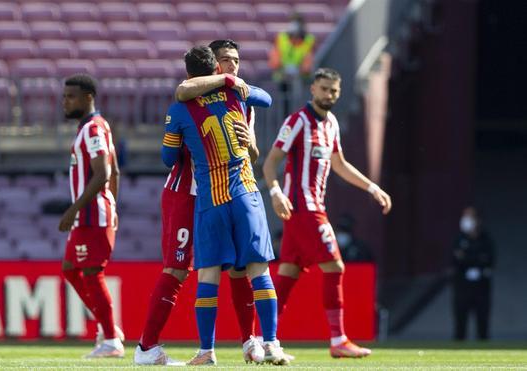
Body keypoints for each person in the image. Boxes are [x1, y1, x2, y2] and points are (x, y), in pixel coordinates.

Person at [134, 39, 268, 366]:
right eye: (225, 61)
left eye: (236, 61)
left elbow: (253, 148)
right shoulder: (188, 99)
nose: (232, 67)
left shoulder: (239, 98)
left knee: (239, 267)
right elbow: (173, 145)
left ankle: (250, 342)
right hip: (187, 193)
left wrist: (249, 145)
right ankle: (146, 347)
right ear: (213, 67)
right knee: (178, 268)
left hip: (229, 193)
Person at [162, 45, 290, 366]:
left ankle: (207, 350)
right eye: (227, 64)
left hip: (212, 199)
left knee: (208, 275)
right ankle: (272, 343)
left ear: (189, 70)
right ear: (216, 68)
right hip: (246, 194)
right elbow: (267, 98)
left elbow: (167, 158)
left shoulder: (181, 109)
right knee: (259, 271)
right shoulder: (237, 96)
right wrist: (231, 83)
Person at [262, 68, 392, 358]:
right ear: (313, 90)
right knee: (335, 267)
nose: (329, 95)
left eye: (334, 90)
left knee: (287, 275)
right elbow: (270, 163)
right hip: (303, 209)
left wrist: (372, 188)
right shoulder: (297, 122)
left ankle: (263, 339)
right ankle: (338, 340)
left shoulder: (331, 123)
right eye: (324, 89)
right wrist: (275, 193)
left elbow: (340, 164)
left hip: (312, 208)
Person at [58, 74, 124, 358]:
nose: (65, 101)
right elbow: (116, 172)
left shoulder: (93, 130)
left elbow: (104, 173)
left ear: (88, 98)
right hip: (91, 215)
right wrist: (115, 206)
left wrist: (73, 210)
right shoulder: (96, 126)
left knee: (91, 273)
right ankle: (108, 327)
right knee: (70, 269)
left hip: (90, 216)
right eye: (64, 96)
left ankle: (110, 340)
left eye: (71, 96)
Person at [451, 207, 494, 341]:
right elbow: (455, 260)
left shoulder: (486, 240)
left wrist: (467, 258)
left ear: (477, 220)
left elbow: (489, 260)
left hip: (481, 287)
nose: (466, 221)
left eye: (469, 217)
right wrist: (475, 259)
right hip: (462, 286)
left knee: (482, 322)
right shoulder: (459, 239)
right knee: (460, 323)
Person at [268, 14, 316, 117]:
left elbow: (308, 60)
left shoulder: (309, 40)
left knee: (301, 105)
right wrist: (282, 68)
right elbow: (275, 57)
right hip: (283, 77)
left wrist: (300, 70)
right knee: (285, 106)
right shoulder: (281, 38)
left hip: (301, 79)